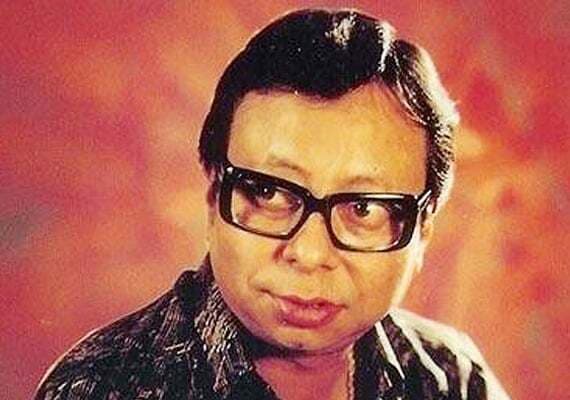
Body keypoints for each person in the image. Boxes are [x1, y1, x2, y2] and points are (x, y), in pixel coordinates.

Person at [35, 8, 510, 400]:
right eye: (270, 193)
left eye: (363, 209)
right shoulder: (98, 388)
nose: (309, 254)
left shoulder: (451, 379)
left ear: (423, 230)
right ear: (213, 200)